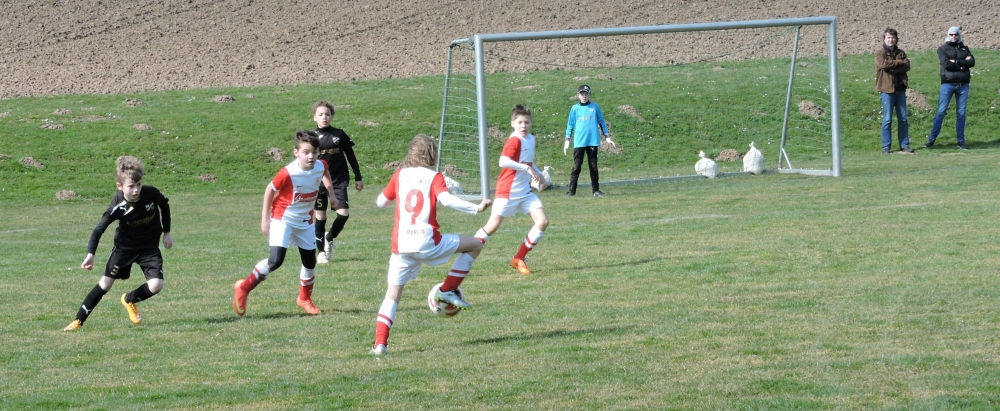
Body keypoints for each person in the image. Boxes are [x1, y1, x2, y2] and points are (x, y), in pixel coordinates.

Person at [369, 134, 492, 355]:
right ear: (432, 155)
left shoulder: (400, 175)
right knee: (475, 245)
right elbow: (447, 200)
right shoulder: (434, 176)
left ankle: (380, 345)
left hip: (402, 246)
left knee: (392, 295)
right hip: (428, 242)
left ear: (410, 154)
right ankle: (447, 290)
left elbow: (380, 202)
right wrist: (476, 208)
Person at [233, 130, 338, 316]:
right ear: (296, 152)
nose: (311, 156)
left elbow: (325, 172)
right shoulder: (288, 172)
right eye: (306, 152)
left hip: (305, 220)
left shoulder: (320, 165)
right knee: (276, 260)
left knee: (310, 261)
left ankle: (304, 299)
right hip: (283, 219)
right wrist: (265, 218)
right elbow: (270, 189)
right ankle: (244, 287)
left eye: (314, 152)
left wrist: (332, 195)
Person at [63, 156, 172, 331]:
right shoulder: (118, 205)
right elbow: (99, 229)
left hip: (149, 248)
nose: (136, 190)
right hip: (125, 249)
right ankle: (78, 321)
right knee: (106, 284)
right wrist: (90, 254)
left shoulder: (151, 194)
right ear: (120, 186)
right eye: (131, 186)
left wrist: (167, 232)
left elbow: (164, 206)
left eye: (139, 185)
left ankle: (129, 299)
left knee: (156, 285)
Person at [474, 104, 550, 276]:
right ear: (512, 123)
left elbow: (528, 162)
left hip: (525, 192)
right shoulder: (514, 140)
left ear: (531, 123)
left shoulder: (531, 139)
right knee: (492, 227)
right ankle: (467, 251)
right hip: (507, 191)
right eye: (520, 122)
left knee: (542, 221)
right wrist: (526, 168)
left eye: (527, 122)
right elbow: (503, 161)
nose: (523, 126)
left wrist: (539, 174)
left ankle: (518, 258)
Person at [311, 101, 363, 264]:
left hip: (339, 180)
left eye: (327, 114)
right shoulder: (311, 137)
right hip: (318, 182)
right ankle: (321, 252)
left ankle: (329, 237)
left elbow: (351, 156)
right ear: (314, 117)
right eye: (320, 114)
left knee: (343, 214)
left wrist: (358, 176)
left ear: (332, 116)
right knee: (320, 216)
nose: (324, 117)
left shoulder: (339, 134)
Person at [924, 26, 975, 150]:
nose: (953, 36)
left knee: (961, 113)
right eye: (951, 34)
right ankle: (932, 139)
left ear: (959, 35)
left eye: (956, 34)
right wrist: (962, 64)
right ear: (948, 35)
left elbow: (972, 62)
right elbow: (946, 64)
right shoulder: (942, 49)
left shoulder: (965, 48)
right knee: (941, 111)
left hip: (963, 85)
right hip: (948, 84)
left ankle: (961, 141)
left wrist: (955, 62)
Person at [564, 84, 615, 196]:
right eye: (582, 94)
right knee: (576, 166)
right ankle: (571, 191)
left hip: (592, 141)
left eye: (586, 94)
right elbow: (570, 124)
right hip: (579, 142)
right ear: (578, 95)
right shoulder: (575, 108)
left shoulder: (595, 107)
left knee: (593, 166)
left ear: (589, 95)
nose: (584, 96)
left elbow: (602, 122)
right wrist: (567, 140)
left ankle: (595, 190)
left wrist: (607, 137)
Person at [875, 28, 913, 154]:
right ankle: (886, 147)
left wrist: (894, 67)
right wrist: (899, 63)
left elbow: (907, 66)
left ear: (896, 39)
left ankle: (904, 145)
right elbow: (883, 65)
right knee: (887, 120)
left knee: (903, 119)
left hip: (900, 89)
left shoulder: (900, 52)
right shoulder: (880, 53)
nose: (891, 40)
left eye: (893, 38)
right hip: (886, 90)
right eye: (888, 37)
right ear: (884, 39)